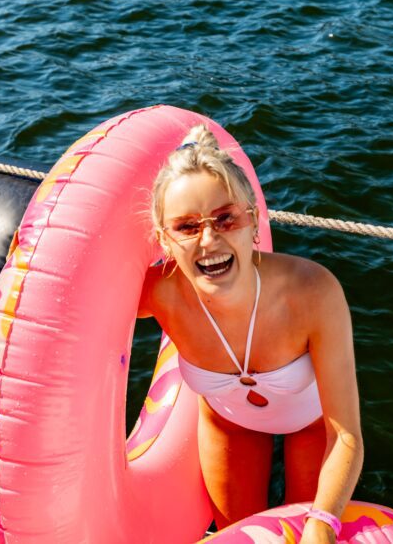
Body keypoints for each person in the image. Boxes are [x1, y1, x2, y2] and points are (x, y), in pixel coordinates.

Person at [138, 125, 363, 544]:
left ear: (252, 221)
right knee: (237, 536)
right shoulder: (158, 294)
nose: (209, 239)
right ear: (164, 239)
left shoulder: (313, 292)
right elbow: (69, 307)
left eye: (225, 218)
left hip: (312, 427)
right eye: (186, 226)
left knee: (307, 532)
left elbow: (346, 435)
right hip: (229, 424)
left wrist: (323, 523)